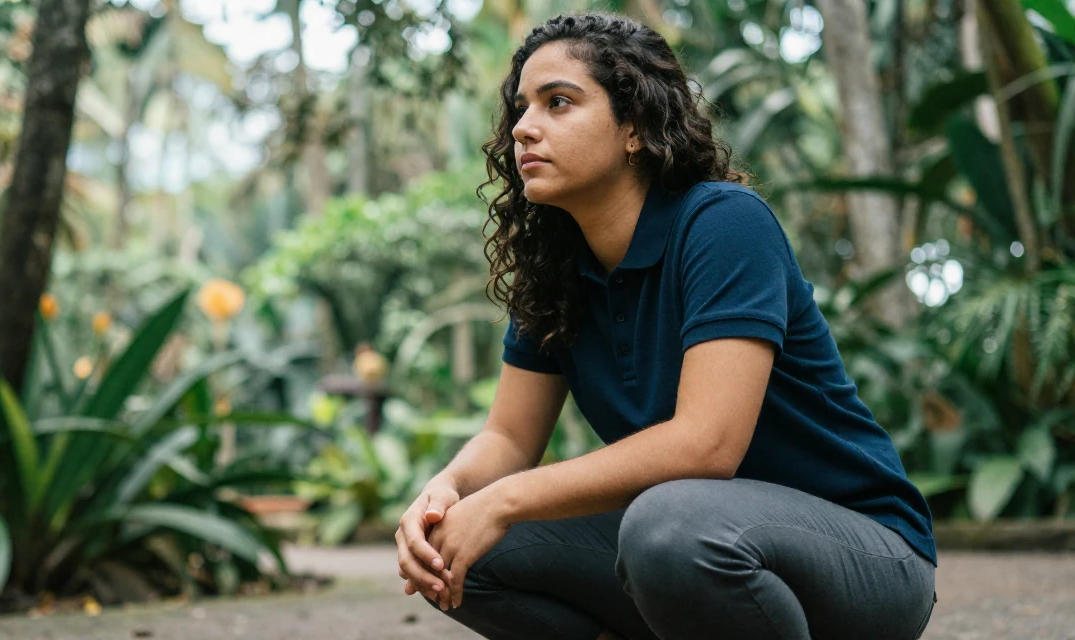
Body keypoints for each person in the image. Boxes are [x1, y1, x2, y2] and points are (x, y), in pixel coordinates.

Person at [394, 11, 936, 640]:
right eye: (521, 108)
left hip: (864, 556)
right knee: (456, 551)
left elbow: (706, 445)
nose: (524, 128)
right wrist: (450, 490)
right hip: (700, 544)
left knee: (667, 526)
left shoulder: (723, 224)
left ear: (632, 127)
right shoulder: (555, 268)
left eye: (558, 102)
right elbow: (511, 439)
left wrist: (505, 499)